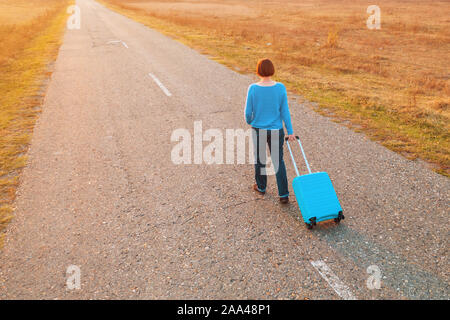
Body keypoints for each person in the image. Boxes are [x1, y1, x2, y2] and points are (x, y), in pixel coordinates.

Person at [244, 58, 295, 204]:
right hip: (275, 130)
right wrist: (290, 131)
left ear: (258, 70)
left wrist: (251, 121)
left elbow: (248, 113)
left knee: (259, 159)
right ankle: (284, 194)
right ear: (272, 70)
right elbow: (285, 111)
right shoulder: (280, 88)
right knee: (277, 161)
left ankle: (261, 187)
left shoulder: (253, 88)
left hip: (258, 129)